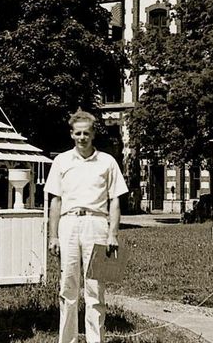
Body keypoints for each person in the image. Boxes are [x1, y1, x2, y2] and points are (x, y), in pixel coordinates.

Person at [46, 109, 129, 343]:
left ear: (93, 134)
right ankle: (67, 340)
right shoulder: (61, 161)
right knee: (67, 287)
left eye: (86, 133)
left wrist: (113, 234)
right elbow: (55, 201)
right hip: (69, 224)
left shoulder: (107, 162)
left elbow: (115, 200)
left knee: (95, 288)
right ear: (71, 134)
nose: (82, 138)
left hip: (97, 225)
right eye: (78, 133)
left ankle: (95, 340)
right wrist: (53, 236)